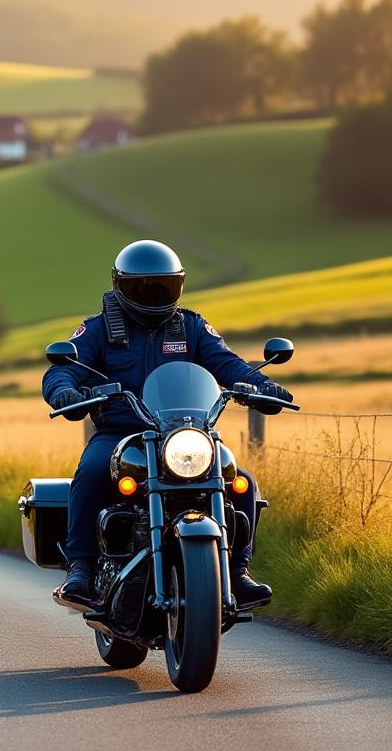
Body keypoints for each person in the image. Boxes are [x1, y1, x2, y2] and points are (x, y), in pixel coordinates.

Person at [41, 240, 292, 606]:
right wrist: (64, 391)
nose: (154, 295)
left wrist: (262, 384)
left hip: (187, 433)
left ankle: (237, 571)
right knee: (92, 470)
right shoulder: (98, 330)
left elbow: (227, 363)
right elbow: (63, 368)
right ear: (121, 286)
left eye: (163, 286)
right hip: (121, 433)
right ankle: (81, 566)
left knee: (239, 480)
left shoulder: (191, 327)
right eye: (144, 287)